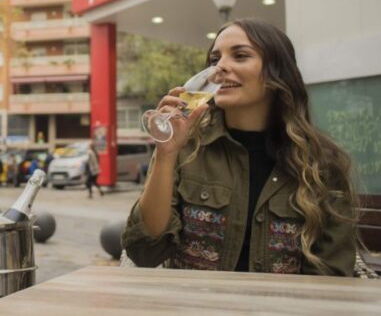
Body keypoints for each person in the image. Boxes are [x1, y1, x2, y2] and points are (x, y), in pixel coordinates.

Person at [122, 19, 358, 275]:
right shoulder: (185, 148)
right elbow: (144, 252)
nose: (220, 67)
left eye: (240, 56)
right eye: (215, 60)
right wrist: (166, 154)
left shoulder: (321, 164)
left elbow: (331, 275)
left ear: (277, 72)